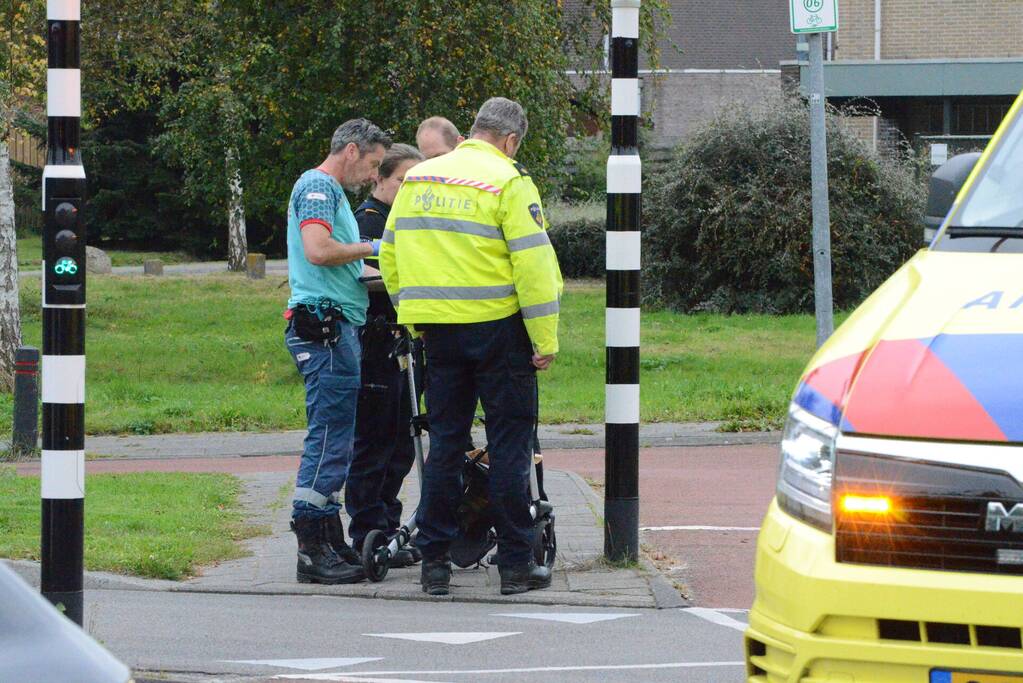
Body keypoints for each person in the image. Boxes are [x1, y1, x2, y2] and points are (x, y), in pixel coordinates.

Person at [380, 97, 563, 596]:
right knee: (508, 446)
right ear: (510, 140)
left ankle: (434, 564)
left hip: (438, 332)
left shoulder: (419, 179)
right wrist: (544, 340)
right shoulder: (509, 181)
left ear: (472, 131)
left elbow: (390, 253)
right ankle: (516, 565)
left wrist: (412, 315)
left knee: (444, 444)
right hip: (499, 330)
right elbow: (534, 267)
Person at [284, 118, 391, 584]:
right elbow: (318, 250)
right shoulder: (317, 186)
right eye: (372, 164)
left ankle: (329, 539)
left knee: (339, 439)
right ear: (351, 150)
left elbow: (343, 268)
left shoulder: (331, 193)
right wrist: (374, 245)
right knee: (329, 438)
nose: (372, 175)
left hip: (338, 325)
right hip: (325, 329)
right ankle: (311, 547)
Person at [345, 143, 426, 567]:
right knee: (374, 440)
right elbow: (365, 273)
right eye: (401, 182)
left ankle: (391, 523)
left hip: (406, 341)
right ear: (380, 178)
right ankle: (366, 527)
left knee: (402, 443)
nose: (408, 190)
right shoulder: (367, 220)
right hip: (376, 338)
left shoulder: (407, 219)